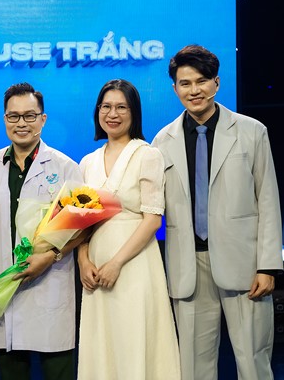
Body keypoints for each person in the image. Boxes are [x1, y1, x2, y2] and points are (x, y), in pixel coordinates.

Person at [152, 44, 283, 380]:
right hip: (187, 265)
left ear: (217, 83)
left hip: (244, 263)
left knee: (253, 360)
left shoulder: (251, 131)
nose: (194, 90)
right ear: (175, 89)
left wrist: (268, 266)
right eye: (185, 83)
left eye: (202, 81)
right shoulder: (161, 141)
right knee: (194, 366)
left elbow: (268, 200)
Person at [75, 79, 181, 379]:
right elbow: (79, 223)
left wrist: (117, 263)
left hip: (135, 264)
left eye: (122, 107)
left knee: (134, 337)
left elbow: (153, 219)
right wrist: (83, 260)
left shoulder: (148, 155)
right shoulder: (87, 162)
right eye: (106, 106)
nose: (113, 114)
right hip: (95, 268)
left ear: (134, 112)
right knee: (102, 343)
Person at [0, 82, 83, 380]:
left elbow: (80, 228)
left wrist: (49, 257)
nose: (21, 123)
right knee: (10, 369)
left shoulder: (65, 167)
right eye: (13, 116)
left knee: (58, 367)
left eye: (29, 116)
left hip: (50, 281)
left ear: (43, 119)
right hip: (3, 281)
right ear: (4, 119)